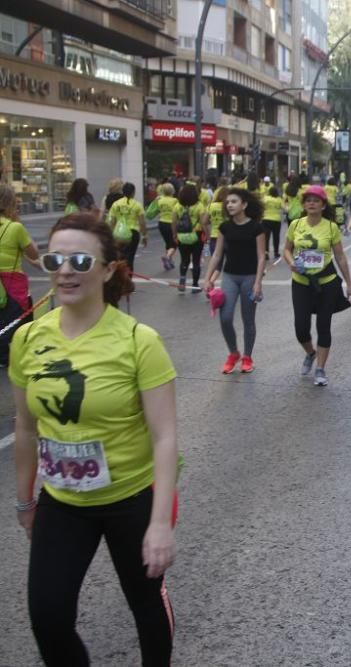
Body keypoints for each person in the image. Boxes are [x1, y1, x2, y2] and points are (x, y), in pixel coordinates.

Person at [11, 212, 178, 666]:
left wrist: (160, 523)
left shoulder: (138, 341)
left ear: (107, 270)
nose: (65, 270)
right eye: (55, 259)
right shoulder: (28, 338)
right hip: (62, 501)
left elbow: (165, 437)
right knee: (48, 616)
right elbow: (26, 428)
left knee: (145, 605)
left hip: (130, 498)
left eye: (81, 260)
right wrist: (26, 501)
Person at [283, 185, 351, 386]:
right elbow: (286, 250)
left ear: (323, 205)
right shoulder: (296, 225)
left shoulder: (331, 227)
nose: (311, 204)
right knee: (301, 328)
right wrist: (291, 263)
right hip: (301, 283)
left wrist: (349, 284)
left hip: (326, 283)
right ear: (303, 205)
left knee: (323, 326)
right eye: (308, 200)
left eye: (316, 201)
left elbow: (340, 256)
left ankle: (321, 369)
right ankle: (310, 353)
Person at [202, 188, 266, 374]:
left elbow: (261, 256)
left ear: (244, 204)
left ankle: (247, 357)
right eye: (227, 202)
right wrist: (207, 279)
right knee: (226, 317)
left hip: (249, 277)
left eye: (233, 201)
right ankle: (233, 353)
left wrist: (258, 282)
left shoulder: (256, 227)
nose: (229, 205)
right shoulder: (224, 227)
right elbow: (216, 254)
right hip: (230, 276)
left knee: (248, 320)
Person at [0, 183, 41, 365]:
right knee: (20, 317)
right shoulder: (15, 228)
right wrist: (18, 222)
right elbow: (33, 252)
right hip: (11, 281)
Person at [172, 184, 207, 294]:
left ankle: (182, 279)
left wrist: (174, 235)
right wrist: (207, 234)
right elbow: (203, 223)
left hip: (182, 236)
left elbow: (174, 222)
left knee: (184, 259)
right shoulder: (199, 206)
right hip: (196, 234)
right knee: (196, 261)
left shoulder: (177, 206)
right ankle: (195, 285)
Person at [107, 182, 147, 272]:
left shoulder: (116, 204)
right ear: (133, 192)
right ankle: (128, 277)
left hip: (118, 234)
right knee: (130, 257)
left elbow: (112, 221)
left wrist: (110, 236)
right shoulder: (137, 205)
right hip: (133, 233)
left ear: (123, 192)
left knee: (120, 256)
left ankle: (119, 276)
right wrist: (144, 236)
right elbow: (142, 222)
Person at [149, 183, 179, 270]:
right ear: (172, 191)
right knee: (174, 243)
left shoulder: (160, 200)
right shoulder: (175, 201)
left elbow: (155, 210)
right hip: (171, 223)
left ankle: (169, 261)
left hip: (161, 223)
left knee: (167, 243)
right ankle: (167, 256)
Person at [261, 185, 285, 260]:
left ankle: (266, 253)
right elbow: (284, 208)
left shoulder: (265, 198)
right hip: (276, 220)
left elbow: (261, 206)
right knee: (276, 237)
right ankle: (276, 253)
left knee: (266, 238)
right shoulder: (279, 199)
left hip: (266, 219)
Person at [205, 186, 229, 258]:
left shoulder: (211, 206)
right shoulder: (231, 206)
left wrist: (208, 235)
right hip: (229, 238)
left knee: (216, 265)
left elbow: (204, 222)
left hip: (215, 237)